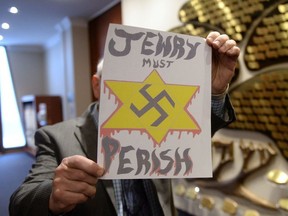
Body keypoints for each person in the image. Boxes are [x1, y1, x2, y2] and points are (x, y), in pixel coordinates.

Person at [9, 31, 240, 216]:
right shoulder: (56, 137)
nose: (137, 87)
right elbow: (21, 201)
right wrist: (53, 195)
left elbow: (196, 134)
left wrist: (216, 91)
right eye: (122, 79)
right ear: (97, 85)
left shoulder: (162, 121)